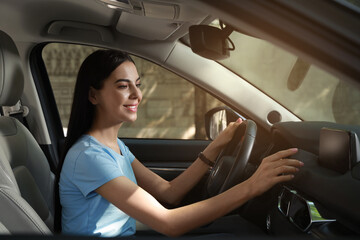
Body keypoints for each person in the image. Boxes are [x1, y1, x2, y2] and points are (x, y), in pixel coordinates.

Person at [58, 50, 303, 237]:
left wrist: (216, 146)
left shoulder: (115, 147)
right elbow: (169, 223)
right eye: (123, 86)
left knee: (237, 231)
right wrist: (252, 185)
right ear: (93, 95)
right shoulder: (89, 157)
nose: (136, 94)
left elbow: (170, 193)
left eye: (138, 84)